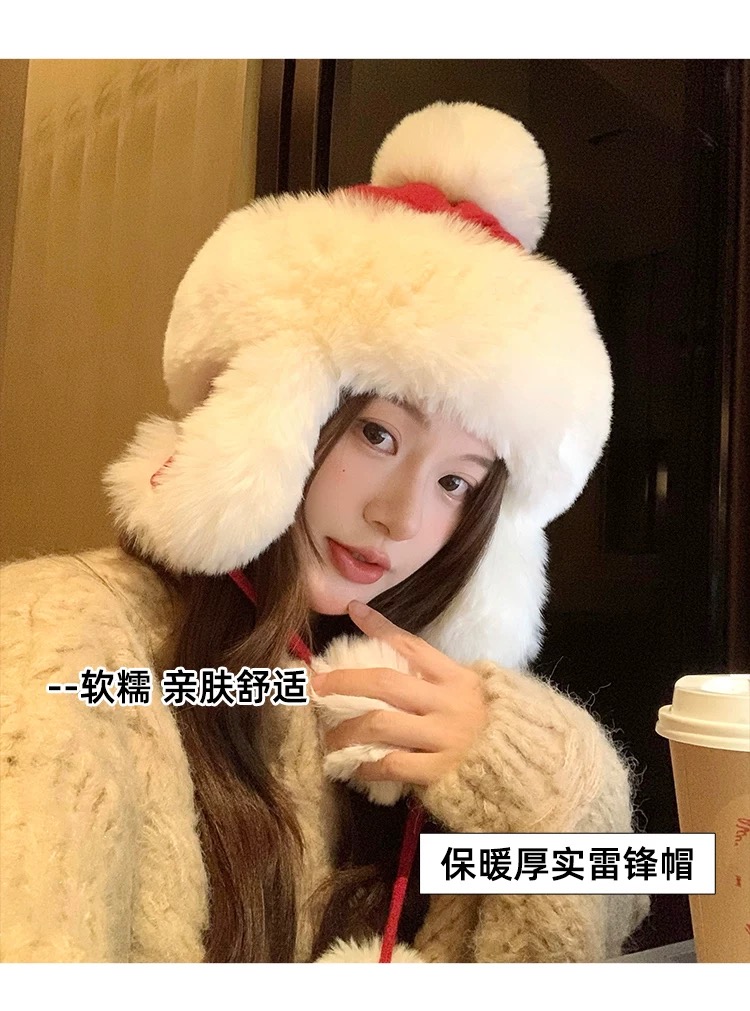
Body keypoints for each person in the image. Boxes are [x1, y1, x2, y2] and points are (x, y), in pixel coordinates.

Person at [0, 101, 649, 963]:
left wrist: (542, 781)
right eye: (377, 434)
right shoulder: (61, 638)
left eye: (456, 481)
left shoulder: (397, 709)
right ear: (274, 413)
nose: (402, 517)